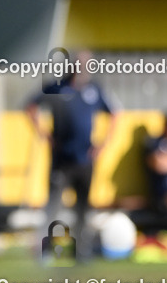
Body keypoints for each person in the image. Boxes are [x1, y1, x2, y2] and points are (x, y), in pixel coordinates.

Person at [25, 50, 120, 254]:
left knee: (83, 208)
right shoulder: (57, 88)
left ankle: (81, 251)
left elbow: (115, 114)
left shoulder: (94, 89)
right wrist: (44, 134)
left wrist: (103, 145)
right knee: (54, 206)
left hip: (85, 159)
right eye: (79, 63)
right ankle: (45, 251)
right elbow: (31, 107)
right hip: (62, 159)